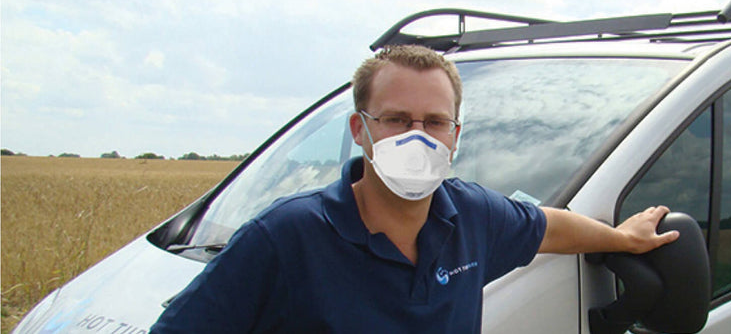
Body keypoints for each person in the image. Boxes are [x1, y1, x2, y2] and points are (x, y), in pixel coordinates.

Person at [151, 45, 679, 333]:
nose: (418, 138)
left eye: (434, 122)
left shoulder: (471, 215)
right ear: (361, 130)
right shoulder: (286, 235)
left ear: (456, 134)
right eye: (397, 120)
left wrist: (621, 239)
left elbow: (551, 226)